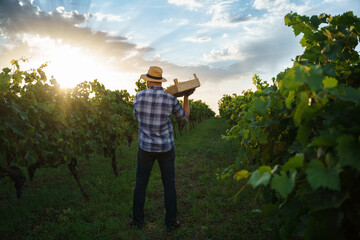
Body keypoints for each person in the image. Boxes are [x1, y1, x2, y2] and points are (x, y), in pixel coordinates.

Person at [130, 66, 192, 230]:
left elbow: (137, 117)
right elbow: (184, 118)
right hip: (165, 148)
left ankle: (137, 221)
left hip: (145, 148)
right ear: (160, 82)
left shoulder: (138, 97)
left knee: (141, 184)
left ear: (148, 81)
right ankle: (171, 222)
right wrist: (186, 97)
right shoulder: (170, 98)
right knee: (169, 184)